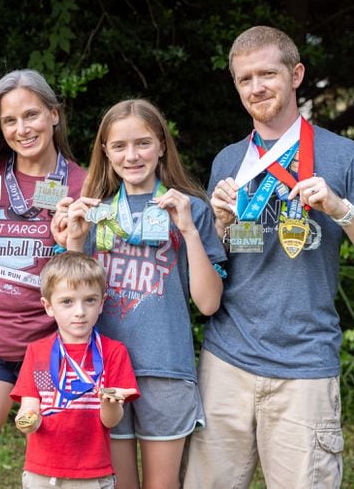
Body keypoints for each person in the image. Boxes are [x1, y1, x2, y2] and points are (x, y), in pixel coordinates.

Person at [184, 26, 354, 488]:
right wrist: (218, 225)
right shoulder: (228, 161)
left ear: (295, 74)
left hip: (305, 365)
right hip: (227, 360)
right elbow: (218, 266)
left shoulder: (343, 155)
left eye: (267, 73)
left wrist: (340, 208)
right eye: (245, 79)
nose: (256, 87)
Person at [58, 99, 225, 489]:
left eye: (143, 143)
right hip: (100, 370)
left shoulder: (190, 210)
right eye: (119, 146)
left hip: (165, 368)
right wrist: (74, 241)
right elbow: (65, 300)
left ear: (163, 145)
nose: (131, 155)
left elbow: (208, 302)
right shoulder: (94, 211)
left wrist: (188, 231)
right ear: (105, 151)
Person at [0, 69, 87, 488]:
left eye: (32, 115)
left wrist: (71, 245)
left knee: (57, 475)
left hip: (51, 349)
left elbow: (88, 278)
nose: (22, 129)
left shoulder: (81, 183)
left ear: (54, 115)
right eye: (10, 121)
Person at [10, 251, 140, 489]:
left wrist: (109, 403)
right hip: (42, 471)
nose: (80, 311)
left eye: (89, 300)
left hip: (93, 472)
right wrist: (27, 420)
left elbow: (110, 422)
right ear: (48, 306)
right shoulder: (37, 351)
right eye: (67, 302)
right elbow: (30, 408)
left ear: (101, 303)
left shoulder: (113, 352)